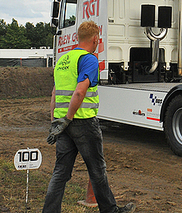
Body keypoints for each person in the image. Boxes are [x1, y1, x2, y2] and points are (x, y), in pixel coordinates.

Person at [42, 21, 135, 213]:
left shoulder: (63, 61)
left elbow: (54, 95)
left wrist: (56, 122)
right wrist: (68, 117)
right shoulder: (89, 59)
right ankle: (110, 211)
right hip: (82, 123)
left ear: (78, 37)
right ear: (95, 39)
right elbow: (79, 92)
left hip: (62, 125)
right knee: (97, 170)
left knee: (60, 172)